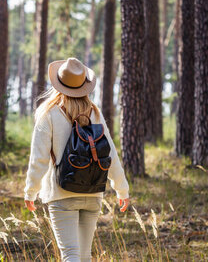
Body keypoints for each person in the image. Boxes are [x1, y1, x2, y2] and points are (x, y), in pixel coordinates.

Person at [24, 58, 130, 262]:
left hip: (61, 193)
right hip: (93, 192)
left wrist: (31, 191)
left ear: (59, 84)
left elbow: (39, 158)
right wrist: (122, 189)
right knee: (84, 256)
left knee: (70, 254)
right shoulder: (94, 112)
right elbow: (111, 154)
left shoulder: (48, 113)